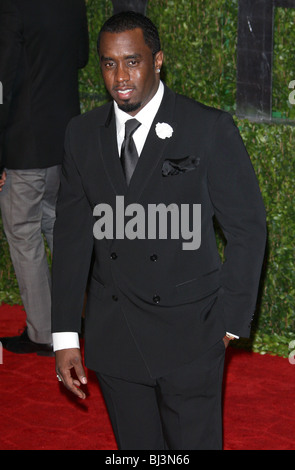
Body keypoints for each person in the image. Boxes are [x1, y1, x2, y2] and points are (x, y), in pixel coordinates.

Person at [51, 11, 266, 450]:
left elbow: (248, 227)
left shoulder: (207, 129)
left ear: (158, 60)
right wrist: (65, 336)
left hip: (190, 334)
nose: (120, 76)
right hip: (115, 335)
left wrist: (229, 322)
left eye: (133, 61)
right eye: (109, 63)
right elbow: (72, 238)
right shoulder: (80, 134)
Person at [0, 0, 88, 355]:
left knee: (23, 232)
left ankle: (43, 332)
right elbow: (81, 56)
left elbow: (2, 81)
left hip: (25, 143)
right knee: (56, 224)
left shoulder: (13, 7)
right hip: (64, 136)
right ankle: (75, 321)